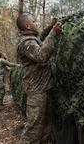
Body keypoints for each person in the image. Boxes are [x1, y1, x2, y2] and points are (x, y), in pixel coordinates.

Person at [16, 14, 62, 144]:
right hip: (36, 90)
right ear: (28, 25)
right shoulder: (25, 42)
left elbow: (40, 39)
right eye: (34, 21)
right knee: (34, 128)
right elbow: (41, 55)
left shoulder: (31, 38)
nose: (36, 23)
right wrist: (53, 34)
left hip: (43, 87)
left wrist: (49, 28)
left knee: (46, 125)